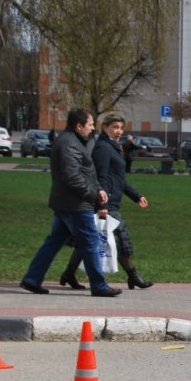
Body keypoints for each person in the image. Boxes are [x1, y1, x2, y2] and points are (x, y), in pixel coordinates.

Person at [20, 108, 121, 298]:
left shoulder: (76, 141)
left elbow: (87, 172)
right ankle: (99, 285)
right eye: (90, 125)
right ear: (79, 126)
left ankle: (32, 279)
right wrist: (94, 195)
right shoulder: (68, 144)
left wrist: (98, 188)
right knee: (90, 242)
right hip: (75, 204)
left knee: (53, 242)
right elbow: (72, 177)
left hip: (68, 202)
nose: (92, 129)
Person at [60, 113, 153, 291]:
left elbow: (119, 179)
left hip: (111, 201)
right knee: (119, 240)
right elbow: (99, 178)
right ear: (105, 127)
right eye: (115, 127)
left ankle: (69, 273)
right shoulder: (103, 148)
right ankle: (133, 277)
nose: (119, 131)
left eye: (121, 128)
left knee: (89, 240)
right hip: (106, 202)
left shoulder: (113, 146)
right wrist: (101, 205)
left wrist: (136, 196)